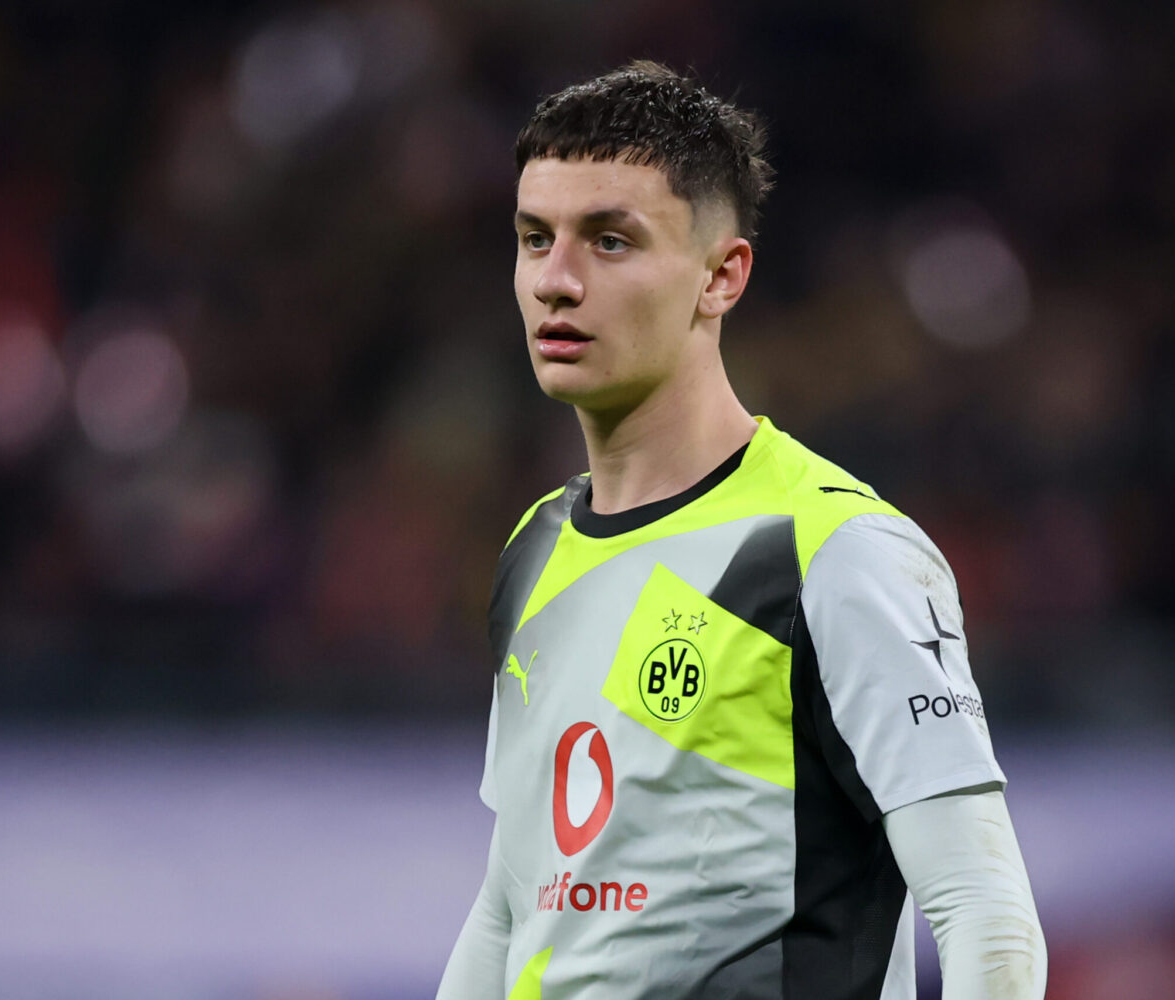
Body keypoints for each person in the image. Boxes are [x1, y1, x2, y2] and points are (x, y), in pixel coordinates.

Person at [437, 62, 1046, 1000]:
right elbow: (512, 904)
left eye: (610, 241)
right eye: (534, 239)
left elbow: (985, 914)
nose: (556, 281)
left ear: (721, 276)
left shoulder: (832, 550)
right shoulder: (538, 546)